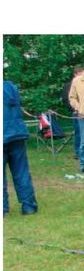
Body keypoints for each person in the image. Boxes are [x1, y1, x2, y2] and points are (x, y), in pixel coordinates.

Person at [3, 78, 38, 215]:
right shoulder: (12, 87)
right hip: (17, 133)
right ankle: (29, 206)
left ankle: (3, 208)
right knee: (22, 172)